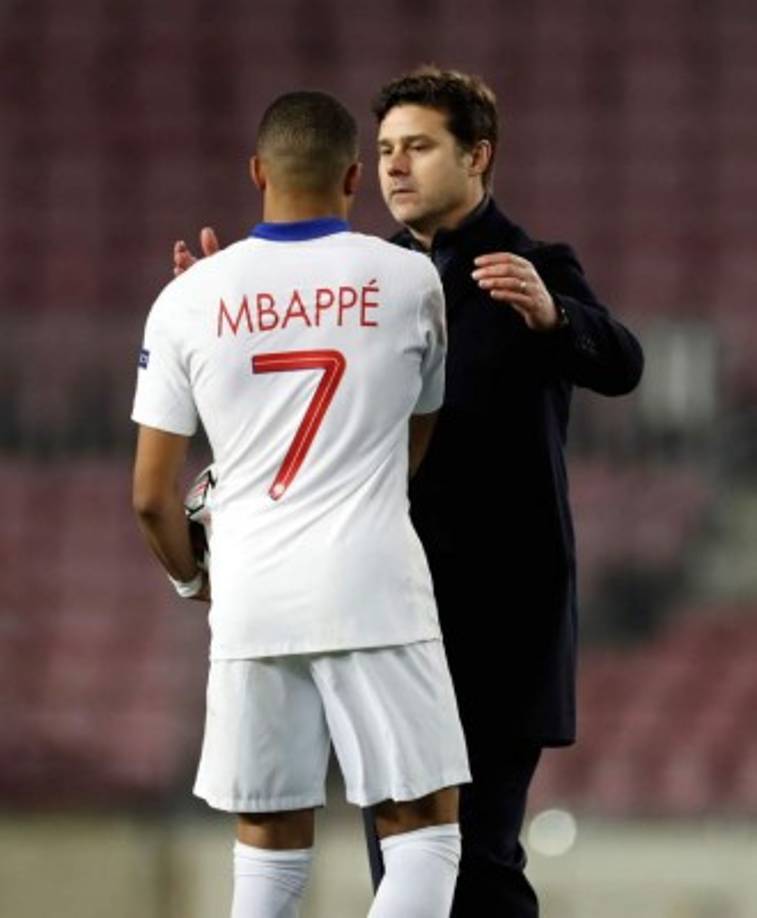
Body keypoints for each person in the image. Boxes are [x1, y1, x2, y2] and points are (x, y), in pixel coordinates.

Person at [174, 67, 644, 917]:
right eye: (385, 149)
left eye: (418, 147)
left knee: (476, 863)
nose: (394, 167)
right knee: (406, 865)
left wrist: (556, 317)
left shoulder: (530, 268)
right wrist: (228, 302)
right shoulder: (371, 281)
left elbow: (622, 363)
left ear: (478, 155)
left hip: (495, 617)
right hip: (380, 608)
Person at [133, 89, 470, 918]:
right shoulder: (409, 277)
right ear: (356, 176)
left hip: (252, 596)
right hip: (372, 583)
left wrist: (192, 579)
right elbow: (410, 438)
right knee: (423, 832)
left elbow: (149, 497)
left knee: (269, 846)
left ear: (255, 173)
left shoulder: (187, 299)